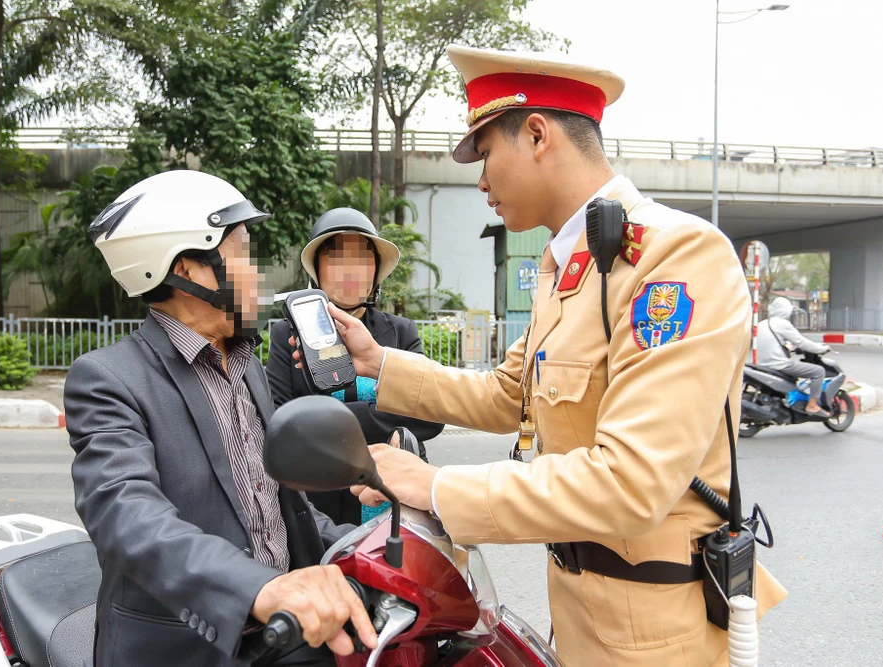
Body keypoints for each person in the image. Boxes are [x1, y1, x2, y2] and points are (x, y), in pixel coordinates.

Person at [298, 45, 787, 665]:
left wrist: (437, 486)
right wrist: (377, 363)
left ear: (535, 135)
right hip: (581, 613)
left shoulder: (672, 258)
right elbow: (509, 395)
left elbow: (631, 481)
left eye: (485, 154)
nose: (480, 181)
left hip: (653, 636)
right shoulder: (572, 265)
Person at [64, 170, 376, 667]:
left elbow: (278, 507)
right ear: (190, 270)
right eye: (243, 254)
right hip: (189, 646)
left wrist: (369, 549)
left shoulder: (246, 364)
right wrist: (261, 589)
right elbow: (130, 518)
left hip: (285, 636)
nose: (258, 272)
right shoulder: (108, 380)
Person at [266, 208, 443, 525]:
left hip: (391, 505)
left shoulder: (401, 333)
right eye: (335, 258)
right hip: (315, 508)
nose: (350, 270)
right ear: (316, 270)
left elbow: (431, 416)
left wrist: (325, 420)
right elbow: (280, 421)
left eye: (362, 258)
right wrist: (381, 414)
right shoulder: (286, 335)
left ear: (376, 271)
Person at [757, 296, 832, 416]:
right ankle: (812, 405)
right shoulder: (782, 324)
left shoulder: (762, 324)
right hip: (779, 365)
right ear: (786, 310)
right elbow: (802, 342)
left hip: (762, 365)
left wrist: (790, 349)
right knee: (818, 372)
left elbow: (773, 344)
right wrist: (822, 348)